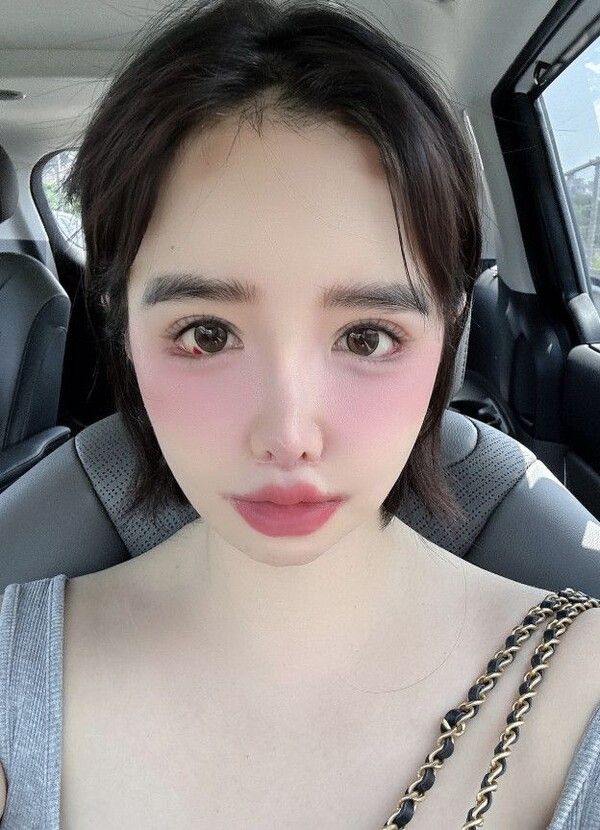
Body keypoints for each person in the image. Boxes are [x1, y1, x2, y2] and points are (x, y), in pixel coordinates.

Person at [1, 0, 600, 828]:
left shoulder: (581, 692)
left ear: (448, 338)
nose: (288, 435)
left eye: (366, 336)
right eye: (206, 334)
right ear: (124, 330)